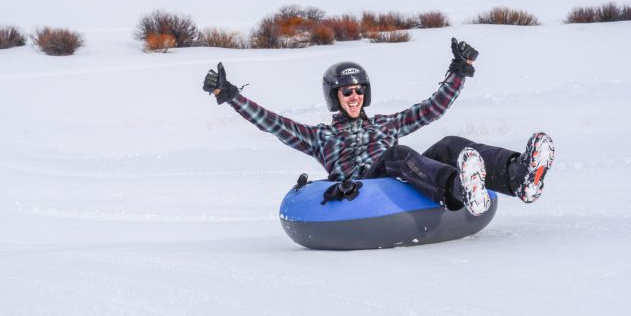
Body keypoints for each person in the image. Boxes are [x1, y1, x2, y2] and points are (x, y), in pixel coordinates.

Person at [202, 38, 555, 216]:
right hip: (367, 187)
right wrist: (228, 94)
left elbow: (432, 108)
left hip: (403, 171)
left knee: (448, 143)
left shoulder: (386, 124)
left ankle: (519, 176)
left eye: (358, 90)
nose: (354, 97)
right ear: (334, 96)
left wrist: (459, 70)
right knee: (397, 154)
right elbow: (274, 124)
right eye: (346, 91)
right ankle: (462, 191)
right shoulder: (319, 137)